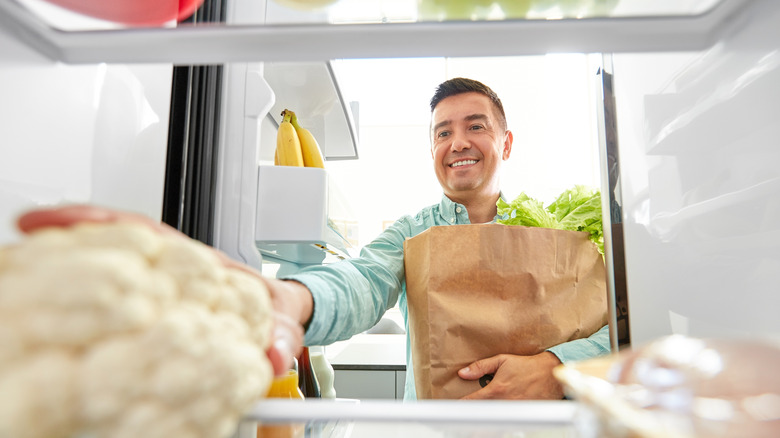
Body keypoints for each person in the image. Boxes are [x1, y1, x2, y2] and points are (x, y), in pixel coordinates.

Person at [18, 77, 610, 400]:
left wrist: (558, 366)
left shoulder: (566, 228)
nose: (457, 142)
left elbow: (625, 326)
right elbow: (359, 281)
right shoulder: (412, 232)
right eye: (441, 132)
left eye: (475, 126)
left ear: (505, 143)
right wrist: (293, 301)